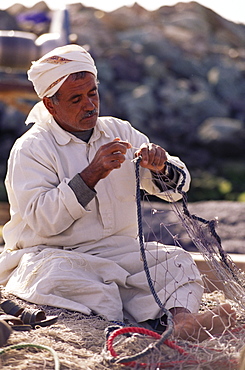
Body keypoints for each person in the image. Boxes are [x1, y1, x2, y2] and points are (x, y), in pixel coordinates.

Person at [0, 44, 235, 341]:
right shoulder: (31, 148)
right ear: (50, 105)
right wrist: (91, 174)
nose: (89, 105)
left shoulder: (119, 131)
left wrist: (161, 166)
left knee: (177, 261)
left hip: (119, 252)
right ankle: (136, 324)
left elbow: (177, 188)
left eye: (93, 93)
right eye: (76, 98)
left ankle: (183, 321)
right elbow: (44, 221)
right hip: (51, 255)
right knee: (61, 279)